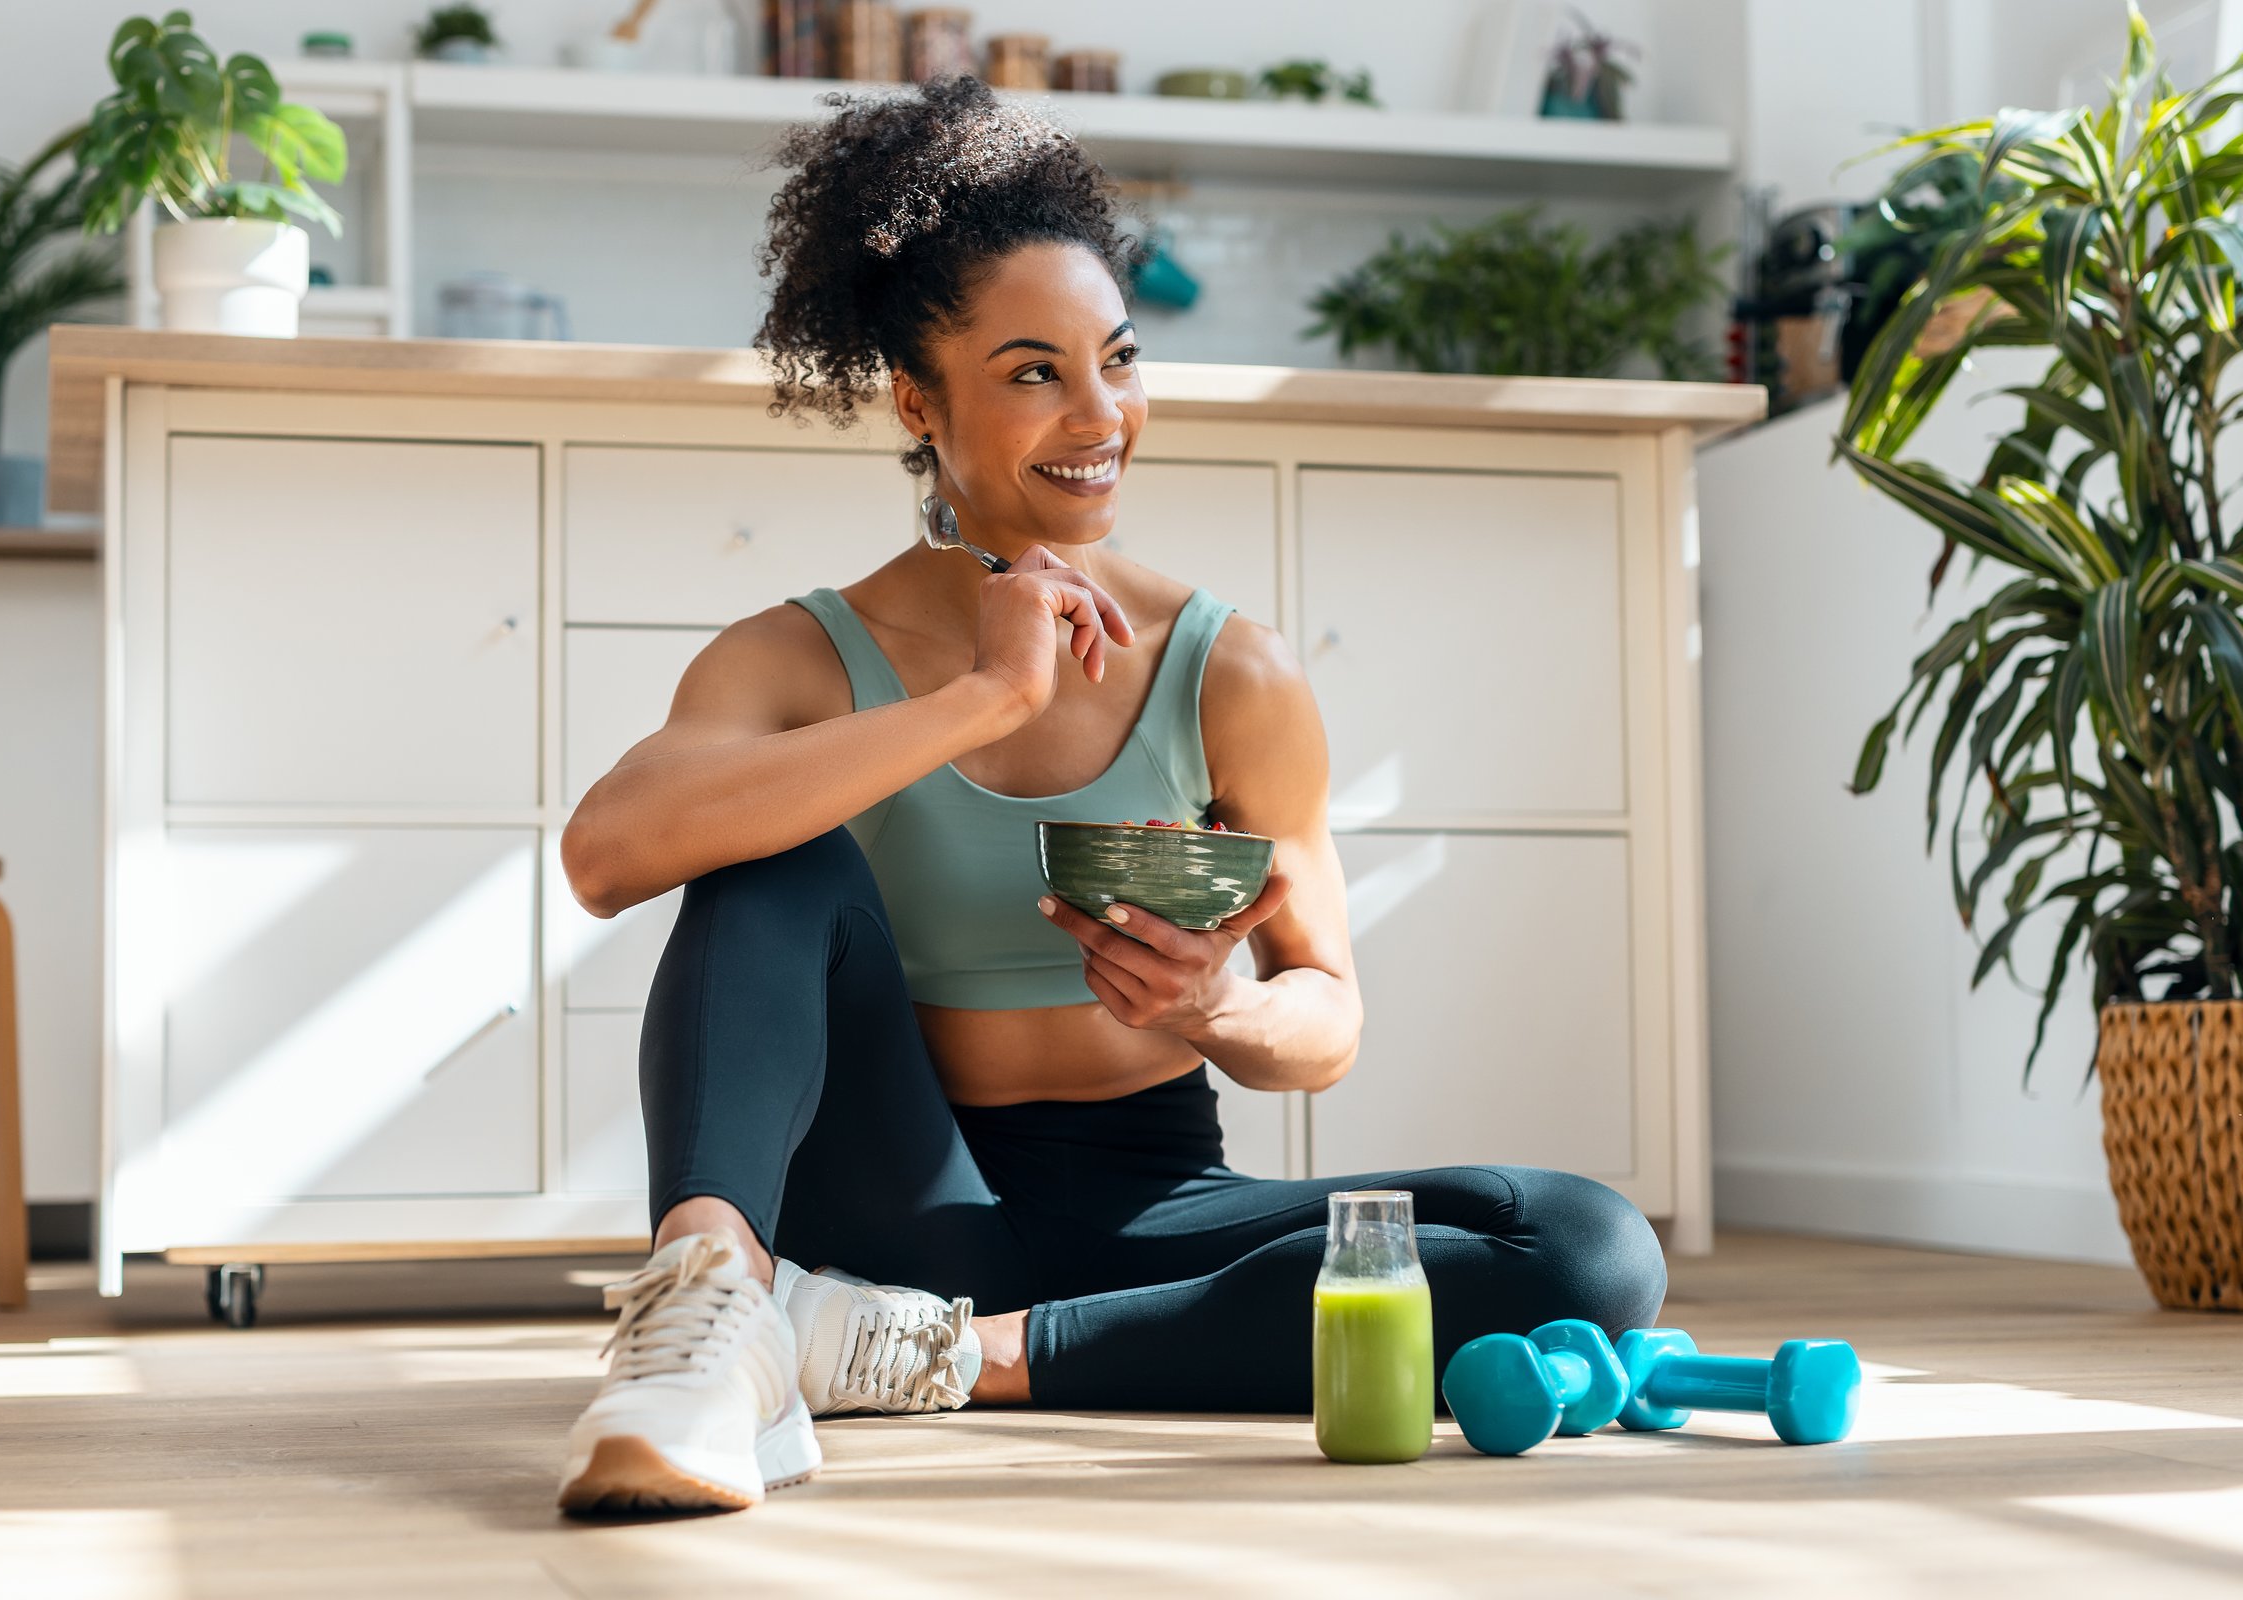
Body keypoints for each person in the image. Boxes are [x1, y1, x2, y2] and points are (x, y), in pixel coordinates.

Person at [552, 76, 1666, 1516]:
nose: (1102, 416)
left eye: (1119, 360)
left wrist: (1215, 1009)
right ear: (916, 400)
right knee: (768, 853)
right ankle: (704, 1322)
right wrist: (981, 698)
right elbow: (609, 853)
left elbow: (1323, 1019)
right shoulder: (796, 656)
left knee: (1582, 1249)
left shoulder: (1230, 672)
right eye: (1033, 372)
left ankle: (909, 1353)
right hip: (893, 1196)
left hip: (1156, 1210)